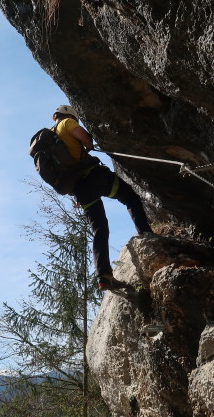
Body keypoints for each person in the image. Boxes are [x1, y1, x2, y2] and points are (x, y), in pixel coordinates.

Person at [51, 105, 153, 290]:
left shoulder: (52, 138)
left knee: (99, 228)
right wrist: (88, 144)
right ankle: (146, 234)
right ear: (69, 115)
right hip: (95, 178)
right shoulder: (67, 122)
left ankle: (104, 276)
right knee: (130, 197)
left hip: (80, 189)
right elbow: (85, 138)